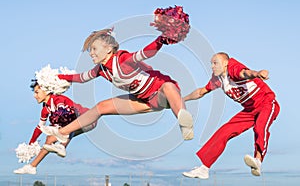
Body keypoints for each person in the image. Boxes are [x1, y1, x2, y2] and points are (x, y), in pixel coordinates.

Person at [40, 28, 194, 148]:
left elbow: (146, 53)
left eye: (94, 49)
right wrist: (59, 78)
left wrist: (161, 39)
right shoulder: (101, 69)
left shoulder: (123, 60)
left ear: (108, 49)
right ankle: (63, 133)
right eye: (90, 50)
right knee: (101, 107)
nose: (91, 53)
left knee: (168, 86)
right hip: (143, 100)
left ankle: (184, 121)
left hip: (159, 92)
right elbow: (81, 78)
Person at [182, 52, 280, 179]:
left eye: (215, 63)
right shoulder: (217, 79)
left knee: (260, 126)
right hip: (250, 110)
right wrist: (182, 99)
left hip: (267, 103)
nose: (212, 66)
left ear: (225, 63)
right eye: (211, 64)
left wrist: (257, 73)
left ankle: (258, 160)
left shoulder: (233, 69)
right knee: (225, 131)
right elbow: (201, 92)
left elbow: (245, 73)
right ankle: (204, 168)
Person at [14, 79, 97, 175]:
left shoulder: (58, 99)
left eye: (37, 92)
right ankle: (32, 166)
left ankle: (62, 146)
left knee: (65, 123)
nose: (34, 96)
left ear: (46, 90)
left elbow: (67, 115)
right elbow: (39, 128)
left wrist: (55, 128)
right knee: (50, 139)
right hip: (77, 124)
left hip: (89, 118)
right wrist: (30, 144)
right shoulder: (45, 109)